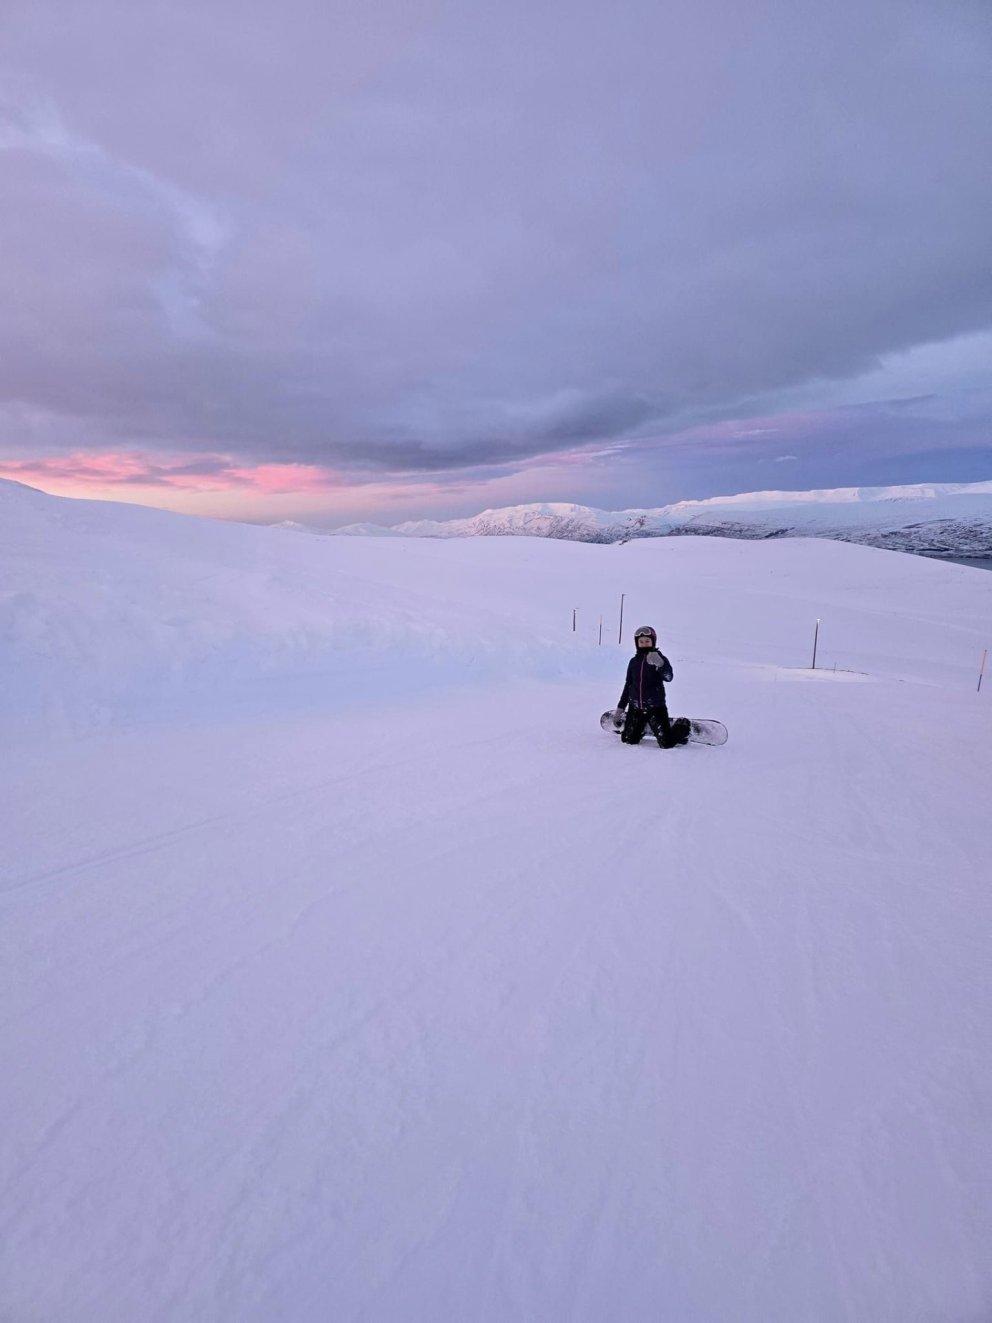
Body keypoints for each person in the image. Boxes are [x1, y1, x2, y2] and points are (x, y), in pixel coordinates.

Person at [616, 625, 689, 748]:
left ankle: (683, 725)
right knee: (628, 740)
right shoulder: (633, 662)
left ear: (653, 642)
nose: (644, 644)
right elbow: (628, 684)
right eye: (641, 642)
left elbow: (669, 677)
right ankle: (642, 727)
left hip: (656, 707)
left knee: (666, 744)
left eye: (647, 641)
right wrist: (620, 708)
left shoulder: (659, 659)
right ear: (637, 643)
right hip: (636, 707)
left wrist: (660, 664)